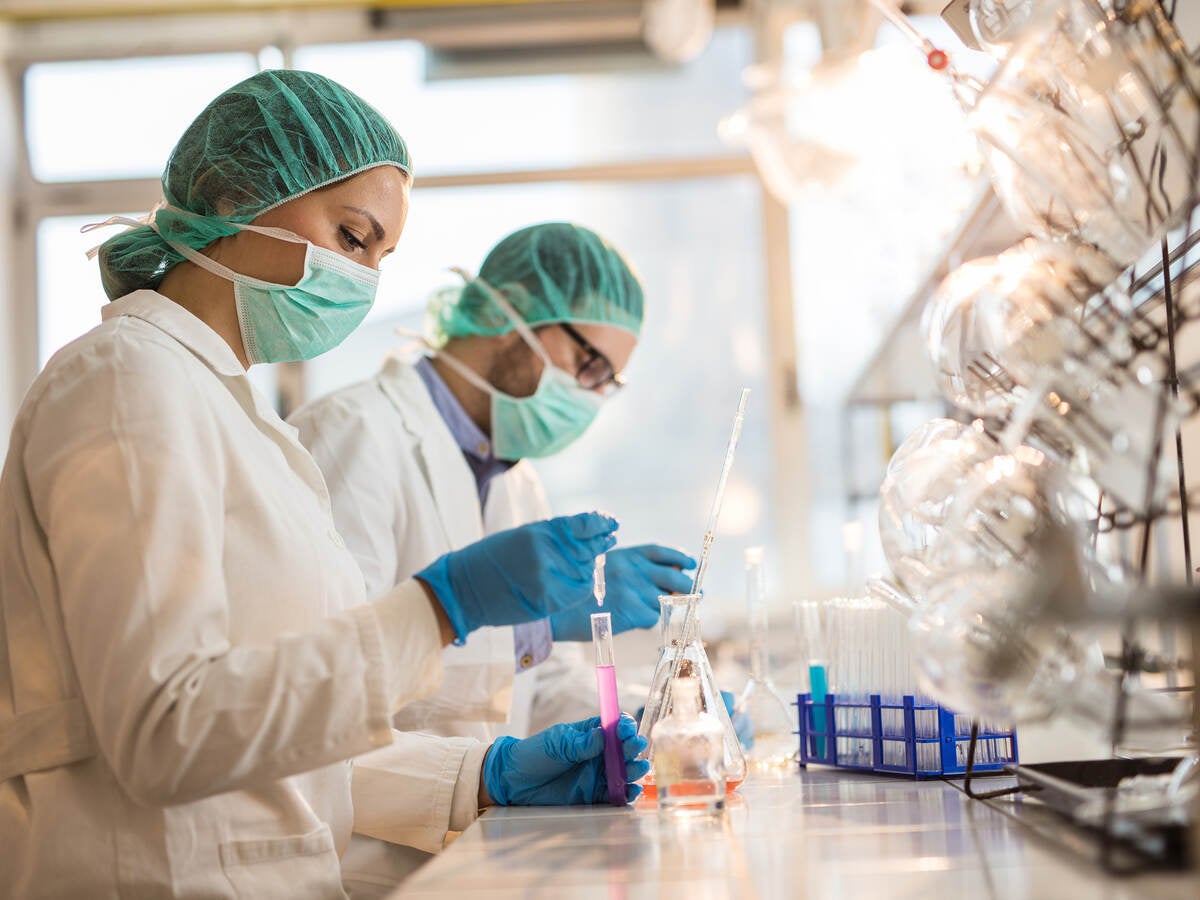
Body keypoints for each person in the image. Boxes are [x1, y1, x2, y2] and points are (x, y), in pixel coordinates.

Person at [0, 70, 646, 900]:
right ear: (236, 192)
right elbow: (166, 731)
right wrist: (441, 608)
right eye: (351, 237)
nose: (365, 280)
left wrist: (481, 777)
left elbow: (291, 726)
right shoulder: (128, 380)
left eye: (382, 256)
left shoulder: (241, 419)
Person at [288, 223, 697, 887]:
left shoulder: (515, 478)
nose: (591, 395)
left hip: (483, 853)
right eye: (588, 364)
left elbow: (540, 690)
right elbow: (319, 688)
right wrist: (531, 627)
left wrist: (665, 721)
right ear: (513, 311)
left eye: (607, 382)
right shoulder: (351, 435)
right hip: (368, 861)